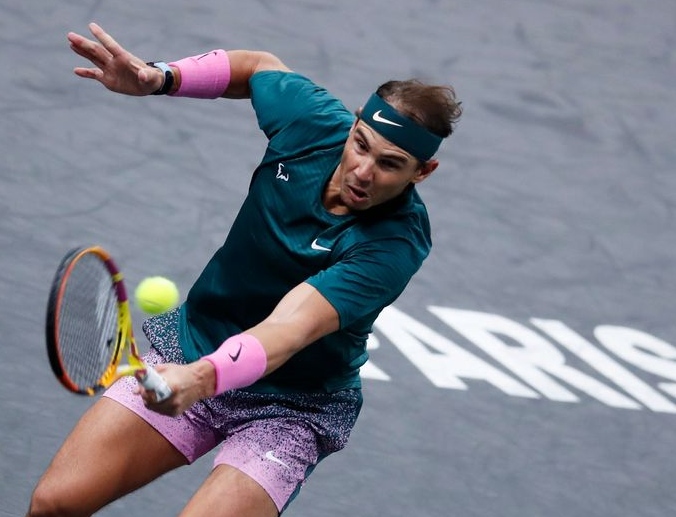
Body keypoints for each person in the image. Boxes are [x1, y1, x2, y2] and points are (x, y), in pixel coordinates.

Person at [27, 22, 461, 517]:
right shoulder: (313, 124)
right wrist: (161, 78)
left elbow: (289, 328)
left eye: (390, 163)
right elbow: (257, 67)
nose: (363, 170)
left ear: (422, 172)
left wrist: (202, 379)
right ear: (354, 124)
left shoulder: (394, 245)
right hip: (194, 345)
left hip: (289, 406)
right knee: (53, 504)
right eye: (360, 144)